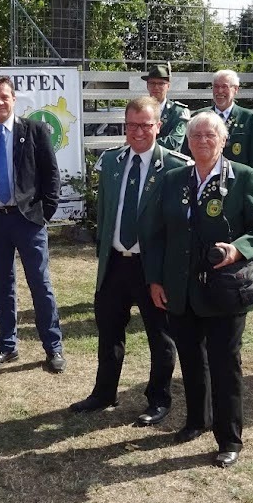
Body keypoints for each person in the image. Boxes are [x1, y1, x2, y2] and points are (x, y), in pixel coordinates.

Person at [144, 110, 253, 469]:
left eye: (210, 135)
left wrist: (237, 249)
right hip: (180, 289)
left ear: (223, 140)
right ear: (187, 141)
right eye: (196, 136)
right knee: (191, 358)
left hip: (224, 290)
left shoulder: (243, 178)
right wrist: (155, 279)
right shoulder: (173, 180)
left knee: (224, 363)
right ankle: (196, 420)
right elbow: (155, 234)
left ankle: (229, 438)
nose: (202, 141)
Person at [69, 96, 189, 425]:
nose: (137, 132)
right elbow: (105, 212)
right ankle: (104, 392)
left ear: (158, 126)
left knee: (160, 336)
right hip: (115, 263)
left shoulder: (176, 166)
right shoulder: (111, 161)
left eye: (145, 125)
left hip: (152, 267)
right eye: (131, 125)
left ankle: (158, 399)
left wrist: (166, 272)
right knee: (109, 331)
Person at [0, 75, 67, 373]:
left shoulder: (34, 130)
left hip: (28, 221)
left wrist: (44, 214)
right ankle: (7, 345)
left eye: (4, 96)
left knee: (40, 284)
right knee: (3, 286)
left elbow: (51, 175)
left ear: (14, 98)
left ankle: (53, 347)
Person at [186, 68, 253, 173]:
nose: (219, 91)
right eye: (216, 86)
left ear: (235, 89)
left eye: (224, 87)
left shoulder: (249, 119)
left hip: (236, 178)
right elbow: (187, 154)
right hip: (205, 177)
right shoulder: (199, 117)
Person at [143, 63, 190, 151]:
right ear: (147, 85)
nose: (156, 87)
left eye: (161, 83)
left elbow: (174, 141)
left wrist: (143, 145)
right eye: (152, 83)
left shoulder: (178, 112)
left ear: (168, 86)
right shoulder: (140, 110)